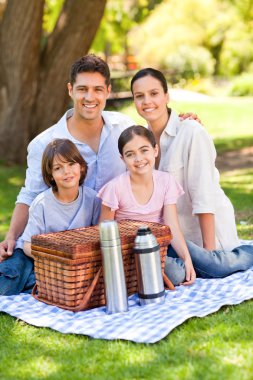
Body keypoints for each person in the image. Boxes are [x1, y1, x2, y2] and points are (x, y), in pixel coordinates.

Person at [0, 54, 197, 262]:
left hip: (120, 243)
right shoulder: (44, 144)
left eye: (98, 90)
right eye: (82, 89)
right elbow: (29, 196)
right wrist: (11, 236)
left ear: (108, 92)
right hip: (69, 249)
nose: (90, 97)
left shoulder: (123, 127)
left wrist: (181, 122)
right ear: (70, 90)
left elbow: (149, 144)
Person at [130, 68, 253, 283]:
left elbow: (204, 197)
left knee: (202, 268)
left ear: (167, 96)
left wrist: (210, 256)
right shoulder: (139, 142)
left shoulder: (192, 133)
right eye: (139, 96)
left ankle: (237, 257)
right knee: (162, 271)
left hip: (206, 239)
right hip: (175, 241)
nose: (147, 101)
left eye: (154, 93)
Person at [0, 139, 101, 295]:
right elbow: (28, 246)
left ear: (81, 167)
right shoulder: (42, 204)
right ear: (51, 175)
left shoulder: (92, 199)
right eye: (58, 168)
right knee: (8, 282)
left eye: (71, 164)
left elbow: (97, 235)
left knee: (69, 284)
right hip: (33, 257)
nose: (66, 171)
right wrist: (54, 259)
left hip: (70, 263)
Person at [98, 125, 196, 285]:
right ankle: (185, 266)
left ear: (155, 150)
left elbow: (171, 225)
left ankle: (247, 254)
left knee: (208, 262)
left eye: (144, 150)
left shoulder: (166, 181)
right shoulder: (114, 188)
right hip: (134, 252)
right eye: (130, 154)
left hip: (164, 244)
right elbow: (103, 233)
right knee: (177, 274)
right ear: (122, 159)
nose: (138, 159)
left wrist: (187, 259)